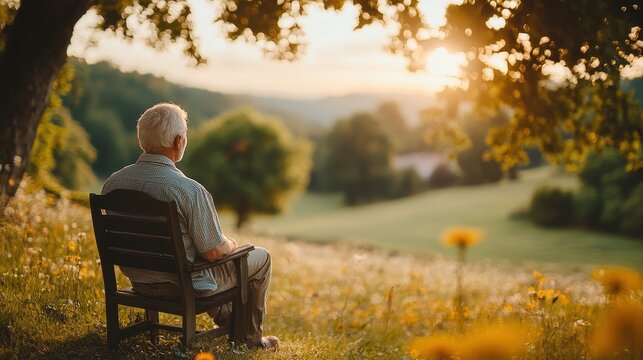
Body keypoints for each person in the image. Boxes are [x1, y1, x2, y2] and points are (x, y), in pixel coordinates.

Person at [101, 103, 279, 350]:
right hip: (182, 286)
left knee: (196, 263)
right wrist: (231, 244)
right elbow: (213, 252)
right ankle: (249, 339)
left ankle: (233, 324)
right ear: (178, 141)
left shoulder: (113, 183)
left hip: (140, 281)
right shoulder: (188, 190)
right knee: (260, 257)